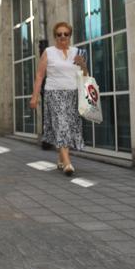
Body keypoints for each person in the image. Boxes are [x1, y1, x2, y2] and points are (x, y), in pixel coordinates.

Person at [30, 22, 88, 176]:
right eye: (59, 34)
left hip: (72, 94)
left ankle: (61, 158)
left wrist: (83, 65)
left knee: (67, 127)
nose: (62, 37)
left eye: (66, 34)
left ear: (70, 36)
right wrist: (35, 96)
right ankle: (68, 163)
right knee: (61, 125)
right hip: (54, 93)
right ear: (55, 36)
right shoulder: (48, 52)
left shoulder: (78, 52)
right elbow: (40, 75)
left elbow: (85, 76)